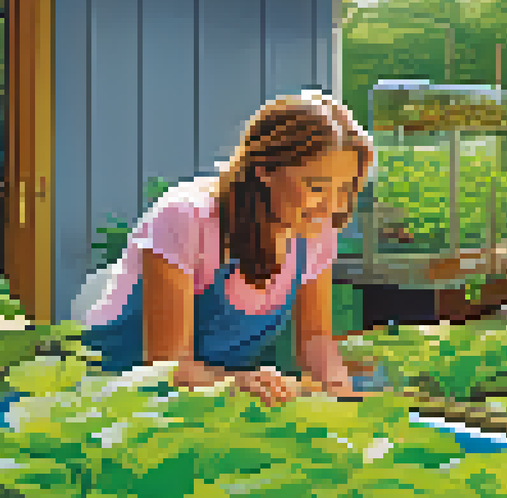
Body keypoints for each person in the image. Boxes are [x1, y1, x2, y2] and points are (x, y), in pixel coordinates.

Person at [78, 90, 372, 405]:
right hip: (114, 396)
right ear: (264, 169)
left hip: (212, 398)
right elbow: (165, 367)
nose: (332, 205)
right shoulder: (186, 218)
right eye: (316, 186)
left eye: (346, 188)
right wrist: (237, 382)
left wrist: (339, 390)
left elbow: (315, 341)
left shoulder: (314, 229)